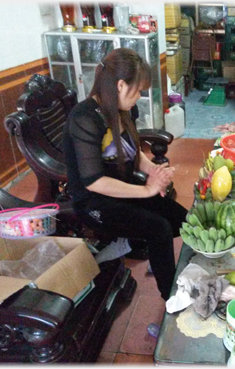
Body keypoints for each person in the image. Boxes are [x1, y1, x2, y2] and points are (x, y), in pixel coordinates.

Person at [63, 48, 188, 300]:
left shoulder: (124, 110)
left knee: (183, 221)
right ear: (120, 85)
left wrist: (154, 171)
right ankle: (170, 297)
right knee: (159, 228)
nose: (139, 96)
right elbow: (94, 181)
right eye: (137, 90)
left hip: (123, 188)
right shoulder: (85, 118)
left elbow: (133, 150)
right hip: (93, 201)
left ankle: (131, 243)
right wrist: (145, 190)